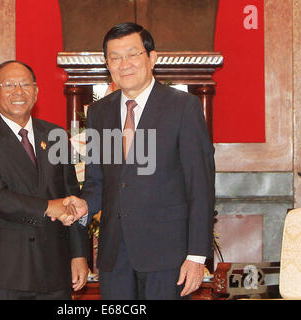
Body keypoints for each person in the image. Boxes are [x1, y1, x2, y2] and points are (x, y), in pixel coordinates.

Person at [64, 22, 216, 300]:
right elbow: (99, 181)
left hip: (168, 256)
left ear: (152, 58)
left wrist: (196, 256)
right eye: (115, 57)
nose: (124, 64)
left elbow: (200, 186)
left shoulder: (183, 107)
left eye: (132, 54)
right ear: (107, 64)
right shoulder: (99, 113)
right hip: (114, 257)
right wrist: (84, 205)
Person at [0, 60, 88, 300]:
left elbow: (72, 195)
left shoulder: (55, 135)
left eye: (25, 84)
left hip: (55, 269)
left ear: (36, 91)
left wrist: (78, 255)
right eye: (8, 84)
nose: (18, 91)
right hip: (5, 273)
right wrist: (49, 207)